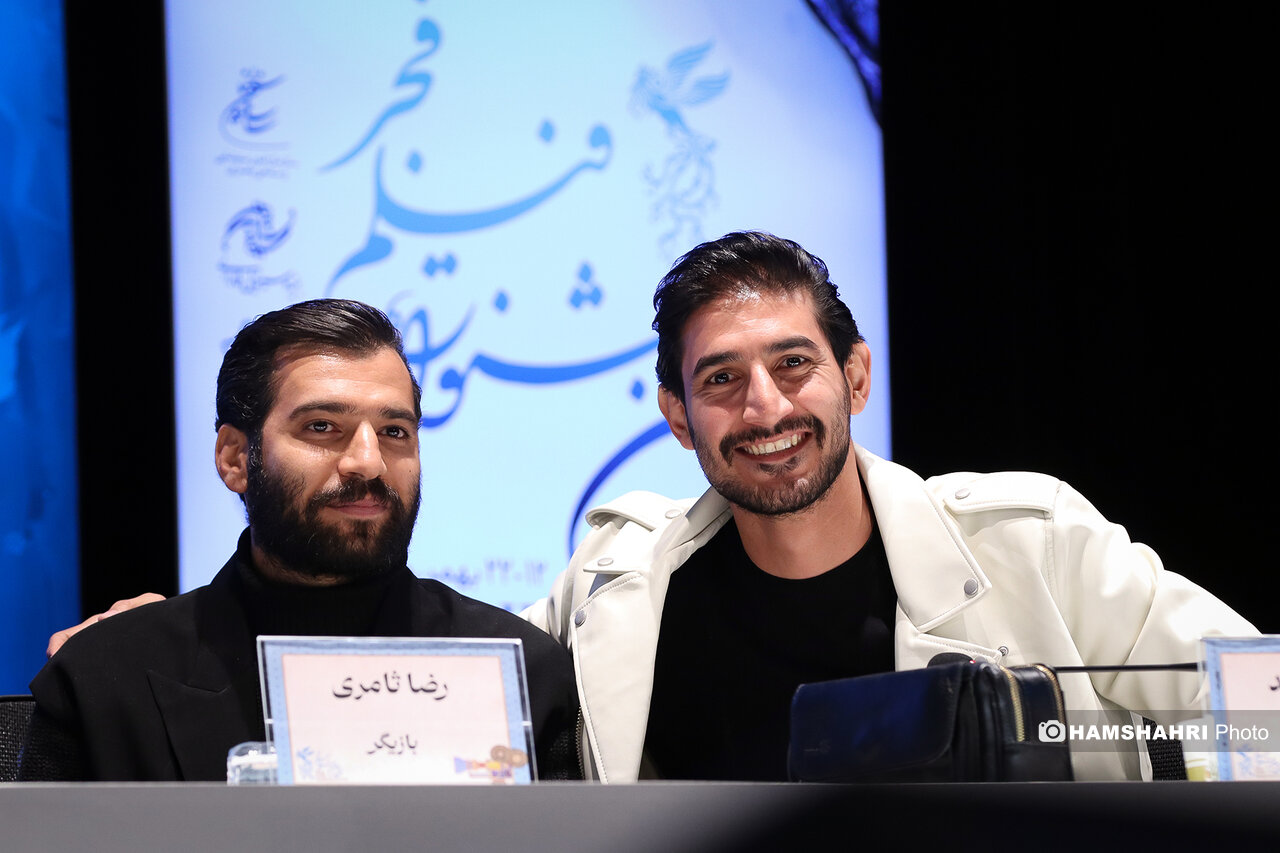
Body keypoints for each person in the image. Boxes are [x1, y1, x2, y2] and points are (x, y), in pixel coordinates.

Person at [519, 230, 1258, 782]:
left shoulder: (1034, 542)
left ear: (856, 377)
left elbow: (1260, 707)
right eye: (720, 379)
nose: (765, 407)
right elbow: (478, 708)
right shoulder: (619, 578)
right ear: (679, 417)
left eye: (793, 363)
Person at [22, 299, 578, 782]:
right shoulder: (106, 678)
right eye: (321, 427)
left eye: (394, 432)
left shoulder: (523, 673)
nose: (368, 462)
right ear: (235, 458)